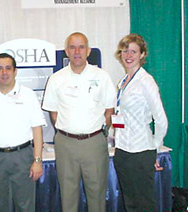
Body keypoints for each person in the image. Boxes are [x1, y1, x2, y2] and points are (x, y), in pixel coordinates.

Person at [42, 32, 116, 212]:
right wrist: (69, 131)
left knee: (97, 195)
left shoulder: (102, 76)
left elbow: (109, 109)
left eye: (81, 47)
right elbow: (53, 112)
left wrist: (98, 132)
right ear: (66, 51)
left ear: (88, 51)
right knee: (68, 196)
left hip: (94, 143)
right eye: (72, 47)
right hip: (66, 144)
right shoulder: (56, 79)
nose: (77, 51)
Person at [0, 53, 46, 212]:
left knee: (25, 206)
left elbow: (37, 129)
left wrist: (37, 160)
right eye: (0, 69)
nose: (4, 72)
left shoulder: (28, 95)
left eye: (8, 68)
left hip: (22, 157)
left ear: (15, 71)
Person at [113, 33, 168, 212]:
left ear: (142, 55)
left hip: (141, 151)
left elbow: (161, 120)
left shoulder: (146, 81)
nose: (128, 56)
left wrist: (155, 148)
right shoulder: (123, 82)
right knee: (130, 203)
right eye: (125, 51)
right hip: (123, 151)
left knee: (143, 204)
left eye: (133, 52)